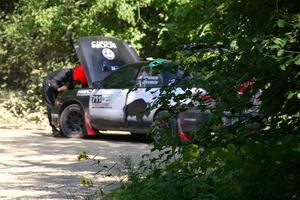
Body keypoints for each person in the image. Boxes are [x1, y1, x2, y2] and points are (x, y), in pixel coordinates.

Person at [42, 64, 87, 135]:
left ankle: (62, 126)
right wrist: (58, 89)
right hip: (50, 84)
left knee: (61, 104)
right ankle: (53, 128)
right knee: (51, 105)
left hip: (59, 85)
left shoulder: (76, 78)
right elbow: (53, 82)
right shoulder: (65, 73)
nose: (78, 83)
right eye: (78, 81)